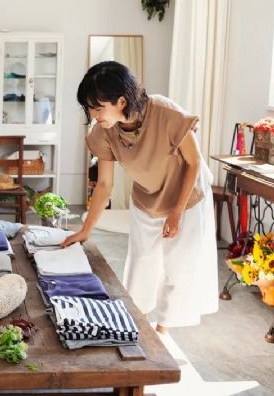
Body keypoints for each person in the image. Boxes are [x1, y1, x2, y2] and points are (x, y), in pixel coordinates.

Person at [61, 61, 218, 334]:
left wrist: (177, 213)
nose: (93, 114)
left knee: (177, 267)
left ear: (121, 101)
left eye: (98, 107)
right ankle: (138, 322)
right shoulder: (103, 132)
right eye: (89, 108)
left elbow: (194, 163)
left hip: (186, 193)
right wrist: (86, 230)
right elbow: (104, 185)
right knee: (142, 261)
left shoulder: (166, 113)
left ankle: (162, 332)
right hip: (147, 195)